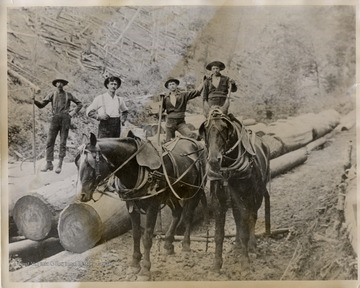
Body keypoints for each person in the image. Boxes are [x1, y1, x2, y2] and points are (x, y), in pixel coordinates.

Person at [34, 78, 83, 173]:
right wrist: (34, 101)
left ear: (64, 85)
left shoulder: (68, 95)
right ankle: (49, 163)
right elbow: (41, 105)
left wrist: (72, 113)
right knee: (49, 141)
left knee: (62, 142)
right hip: (55, 118)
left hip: (65, 119)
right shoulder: (52, 94)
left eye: (61, 83)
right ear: (55, 84)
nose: (59, 84)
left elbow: (80, 104)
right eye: (58, 82)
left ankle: (60, 164)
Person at [161, 77, 203, 142]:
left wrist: (203, 82)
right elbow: (161, 110)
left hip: (180, 123)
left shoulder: (183, 95)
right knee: (168, 142)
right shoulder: (165, 98)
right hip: (170, 124)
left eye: (173, 84)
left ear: (176, 85)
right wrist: (160, 101)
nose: (172, 86)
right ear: (168, 87)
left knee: (191, 136)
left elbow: (196, 92)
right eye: (170, 85)